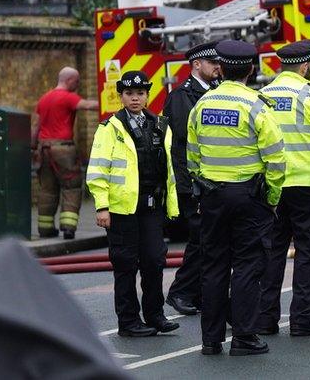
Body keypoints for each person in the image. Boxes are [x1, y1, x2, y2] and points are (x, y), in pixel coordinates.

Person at [187, 40, 286, 357]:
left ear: (220, 68)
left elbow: (192, 157)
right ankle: (244, 337)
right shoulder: (257, 105)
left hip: (213, 196)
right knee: (247, 267)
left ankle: (210, 340)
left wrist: (203, 188)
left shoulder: (202, 104)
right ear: (252, 69)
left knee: (213, 267)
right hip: (249, 198)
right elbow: (276, 159)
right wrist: (271, 197)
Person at [86, 71, 180, 337]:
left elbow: (169, 169)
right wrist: (101, 206)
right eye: (129, 94)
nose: (135, 98)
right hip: (121, 209)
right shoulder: (110, 129)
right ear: (121, 96)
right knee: (126, 264)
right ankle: (128, 322)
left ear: (147, 96)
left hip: (152, 206)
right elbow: (97, 171)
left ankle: (155, 316)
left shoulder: (160, 124)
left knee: (153, 260)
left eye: (140, 93)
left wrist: (171, 205)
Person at [256, 40, 310, 337]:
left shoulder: (262, 95)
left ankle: (265, 318)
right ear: (305, 66)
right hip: (307, 186)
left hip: (272, 187)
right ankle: (303, 319)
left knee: (272, 252)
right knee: (309, 252)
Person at [164, 41, 220, 316]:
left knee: (209, 239)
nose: (217, 67)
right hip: (191, 179)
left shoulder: (216, 91)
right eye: (212, 63)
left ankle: (194, 292)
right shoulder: (182, 96)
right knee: (200, 238)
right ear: (197, 64)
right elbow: (187, 137)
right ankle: (181, 292)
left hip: (212, 179)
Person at [32, 67, 99, 238]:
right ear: (69, 80)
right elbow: (89, 106)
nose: (77, 85)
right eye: (76, 82)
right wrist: (115, 100)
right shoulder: (68, 97)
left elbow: (36, 126)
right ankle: (68, 228)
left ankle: (45, 229)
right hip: (63, 149)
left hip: (44, 149)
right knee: (72, 187)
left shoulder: (44, 98)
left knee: (47, 189)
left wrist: (33, 147)